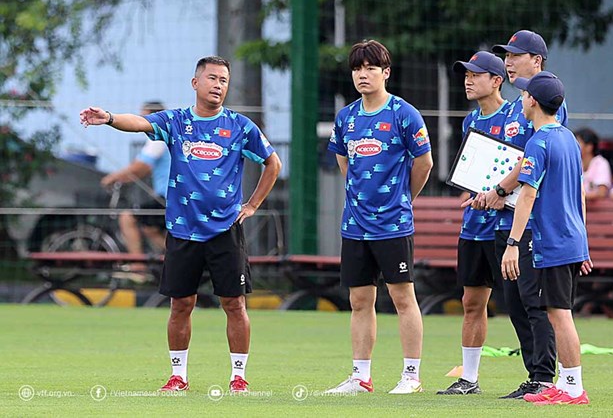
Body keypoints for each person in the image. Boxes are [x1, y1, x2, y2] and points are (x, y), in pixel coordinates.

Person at [79, 56, 282, 393]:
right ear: (195, 83)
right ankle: (178, 376)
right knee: (181, 304)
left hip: (225, 230)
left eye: (224, 80)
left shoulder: (240, 126)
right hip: (182, 230)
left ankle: (238, 377)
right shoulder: (176, 121)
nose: (218, 85)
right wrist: (110, 118)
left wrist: (253, 205)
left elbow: (273, 163)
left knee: (234, 304)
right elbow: (139, 123)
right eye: (212, 78)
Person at [325, 40, 433, 395]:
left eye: (371, 68)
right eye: (357, 68)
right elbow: (344, 161)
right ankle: (360, 377)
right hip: (354, 225)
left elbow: (425, 163)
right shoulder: (346, 117)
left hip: (393, 224)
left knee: (402, 298)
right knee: (359, 301)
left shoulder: (404, 114)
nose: (363, 74)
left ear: (385, 72)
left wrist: (403, 198)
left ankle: (411, 376)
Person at [472, 30, 568, 399]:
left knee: (535, 302)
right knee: (514, 302)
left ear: (537, 61)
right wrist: (482, 189)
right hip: (506, 218)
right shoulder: (515, 105)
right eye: (506, 56)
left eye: (515, 55)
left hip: (531, 220)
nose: (508, 62)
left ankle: (546, 377)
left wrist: (498, 190)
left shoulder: (548, 101)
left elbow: (531, 162)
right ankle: (535, 375)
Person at [502, 71, 592, 405]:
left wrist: (512, 244)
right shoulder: (569, 138)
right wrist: (583, 243)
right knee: (559, 312)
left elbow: (526, 195)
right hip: (571, 239)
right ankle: (566, 384)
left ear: (533, 101)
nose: (522, 99)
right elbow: (578, 193)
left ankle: (572, 388)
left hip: (553, 242)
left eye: (525, 94)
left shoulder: (538, 142)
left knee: (559, 314)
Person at [436, 51, 509, 395]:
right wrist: (473, 192)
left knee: (525, 306)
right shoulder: (470, 121)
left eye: (475, 75)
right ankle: (469, 379)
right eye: (466, 75)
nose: (468, 80)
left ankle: (541, 377)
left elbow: (524, 167)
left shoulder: (516, 116)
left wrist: (499, 193)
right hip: (474, 226)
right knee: (471, 302)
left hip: (508, 228)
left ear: (496, 81)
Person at [100, 101, 170, 276]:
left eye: (143, 116)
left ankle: (138, 267)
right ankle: (177, 261)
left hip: (168, 196)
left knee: (127, 218)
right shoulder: (169, 135)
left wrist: (113, 178)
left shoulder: (158, 137)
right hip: (170, 196)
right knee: (149, 227)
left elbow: (140, 167)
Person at [574, 127, 612, 200]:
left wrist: (578, 197)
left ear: (589, 147)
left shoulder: (601, 163)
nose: (573, 146)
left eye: (577, 143)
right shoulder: (574, 163)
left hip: (597, 207)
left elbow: (602, 193)